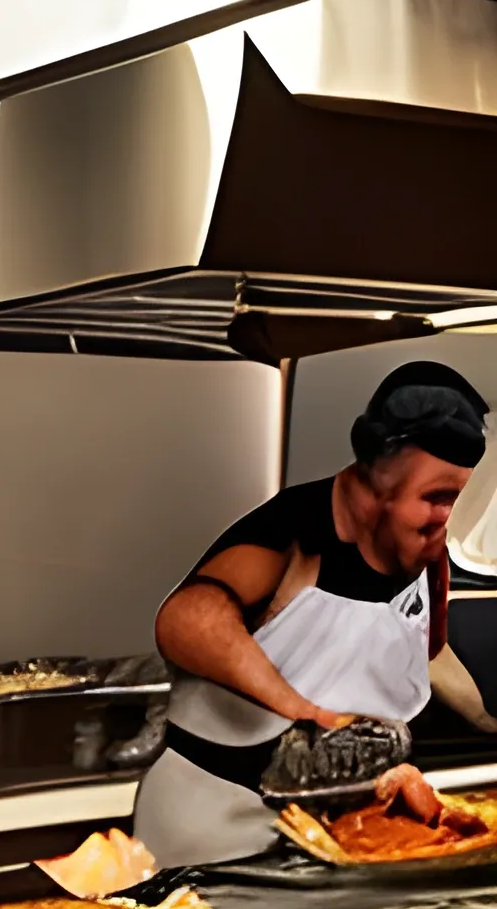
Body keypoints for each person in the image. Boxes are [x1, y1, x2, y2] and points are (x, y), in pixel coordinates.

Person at [133, 360, 496, 867]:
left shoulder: (427, 555)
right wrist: (306, 710)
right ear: (375, 483)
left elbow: (425, 650)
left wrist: (486, 720)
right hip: (220, 821)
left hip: (348, 821)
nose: (446, 520)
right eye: (435, 498)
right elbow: (187, 620)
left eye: (456, 500)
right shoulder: (293, 532)